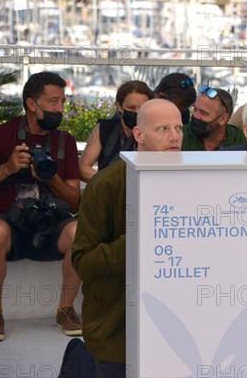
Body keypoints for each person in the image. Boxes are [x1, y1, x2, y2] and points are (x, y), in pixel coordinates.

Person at [72, 99, 183, 377]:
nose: (174, 137)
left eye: (179, 128)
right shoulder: (106, 185)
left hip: (175, 324)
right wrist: (139, 240)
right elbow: (83, 262)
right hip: (116, 328)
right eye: (163, 128)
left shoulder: (191, 180)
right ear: (139, 135)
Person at [0, 72, 82, 341]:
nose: (60, 109)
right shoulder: (2, 135)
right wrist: (8, 168)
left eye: (63, 102)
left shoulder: (64, 141)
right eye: (53, 101)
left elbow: (75, 200)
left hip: (50, 222)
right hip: (8, 221)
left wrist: (50, 177)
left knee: (80, 233)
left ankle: (65, 308)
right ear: (32, 104)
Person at [79, 80, 154, 182]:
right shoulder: (104, 128)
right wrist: (111, 185)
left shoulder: (156, 132)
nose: (137, 112)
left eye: (142, 108)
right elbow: (83, 168)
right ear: (119, 106)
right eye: (131, 108)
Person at [181, 85, 247, 151]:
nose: (195, 115)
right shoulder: (181, 135)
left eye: (203, 113)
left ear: (223, 119)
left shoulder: (238, 138)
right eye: (195, 109)